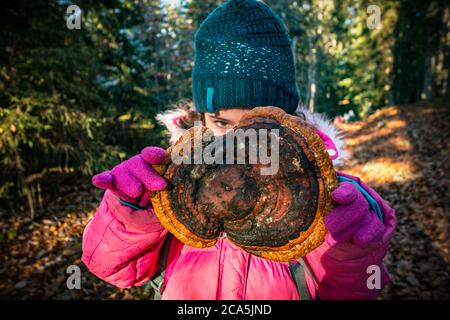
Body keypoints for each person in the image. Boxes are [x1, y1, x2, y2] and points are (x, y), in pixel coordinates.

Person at [81, 0, 396, 300]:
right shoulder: (173, 185)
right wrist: (131, 212)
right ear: (200, 117)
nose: (237, 141)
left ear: (287, 119)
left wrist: (349, 246)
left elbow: (357, 290)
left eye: (256, 123)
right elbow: (112, 269)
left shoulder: (313, 195)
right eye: (221, 121)